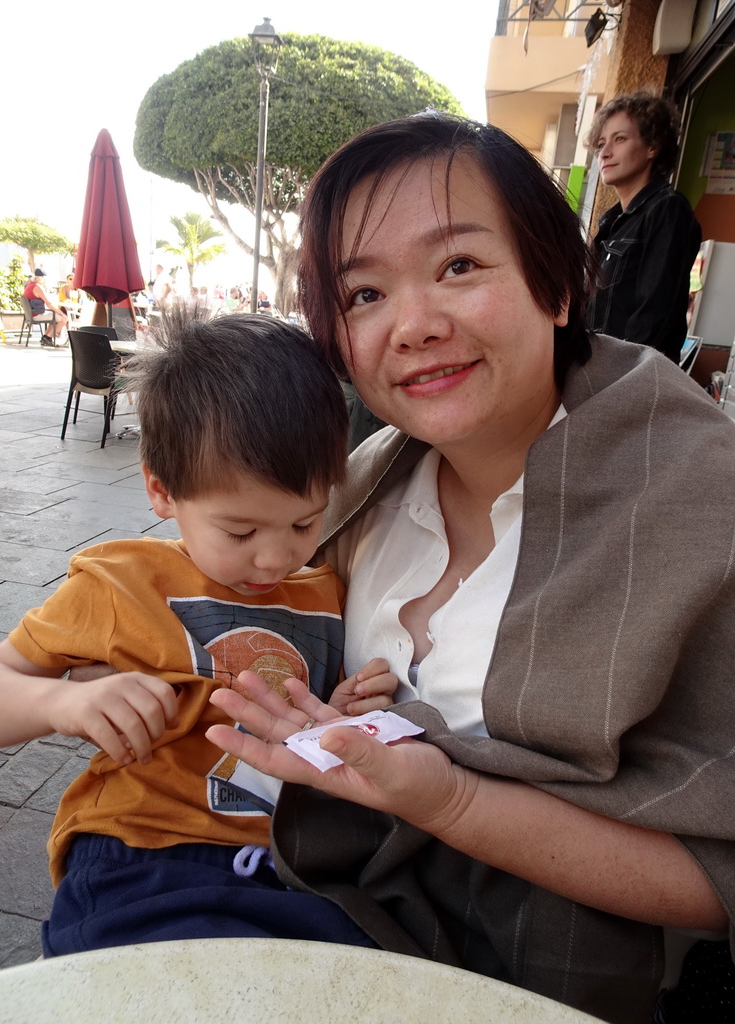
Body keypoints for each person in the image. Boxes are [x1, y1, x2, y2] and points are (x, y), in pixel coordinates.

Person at [204, 113, 735, 1024]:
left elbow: (717, 881)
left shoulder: (699, 504)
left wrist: (450, 801)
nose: (413, 325)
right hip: (312, 935)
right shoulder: (352, 491)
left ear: (557, 285)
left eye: (458, 266)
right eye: (363, 293)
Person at [0, 310, 396, 958]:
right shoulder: (124, 582)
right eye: (241, 532)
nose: (274, 558)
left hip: (293, 867)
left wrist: (336, 719)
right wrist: (63, 703)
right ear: (162, 491)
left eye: (305, 523)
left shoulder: (326, 591)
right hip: (142, 855)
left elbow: (298, 730)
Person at [585, 91, 702, 364]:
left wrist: (620, 385)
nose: (605, 152)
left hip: (631, 383)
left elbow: (653, 317)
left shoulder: (667, 210)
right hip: (596, 376)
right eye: (601, 143)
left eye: (620, 139)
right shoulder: (612, 222)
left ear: (653, 146)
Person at [23, 269, 67, 346]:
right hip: (36, 315)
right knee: (63, 319)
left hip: (30, 315)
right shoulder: (38, 287)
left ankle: (46, 337)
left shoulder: (29, 285)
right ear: (41, 278)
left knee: (54, 316)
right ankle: (48, 338)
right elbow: (49, 304)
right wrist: (62, 313)